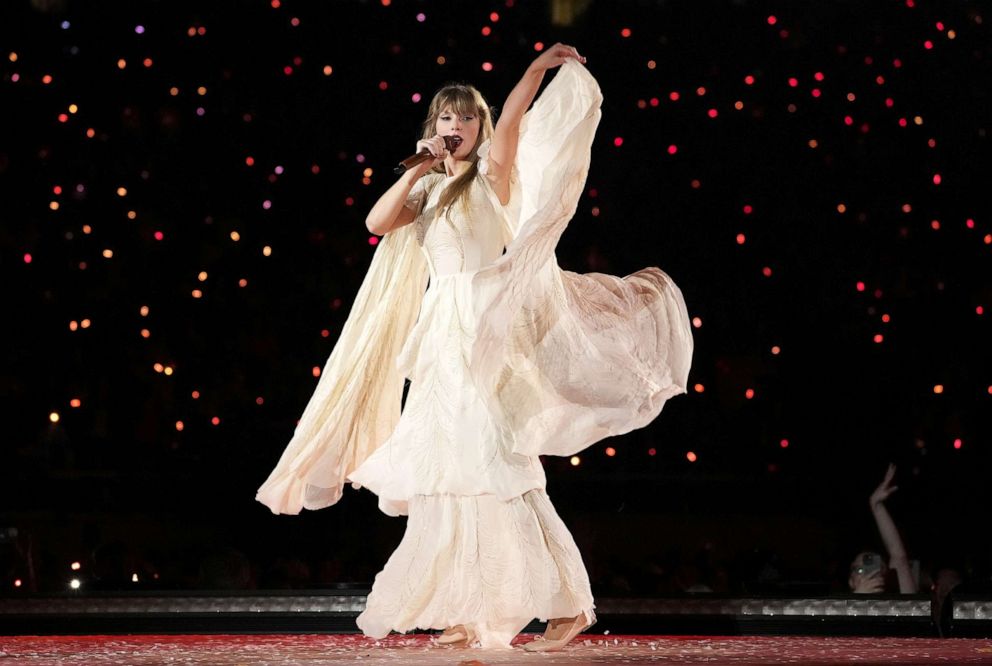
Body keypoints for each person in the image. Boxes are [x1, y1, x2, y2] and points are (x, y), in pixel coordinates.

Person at [256, 44, 694, 650]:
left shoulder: (493, 176)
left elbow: (512, 119)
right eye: (445, 118)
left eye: (465, 118)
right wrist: (417, 167)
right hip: (440, 336)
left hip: (486, 331)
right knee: (447, 470)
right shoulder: (429, 189)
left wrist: (538, 68)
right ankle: (469, 606)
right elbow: (375, 224)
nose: (455, 127)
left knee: (499, 466)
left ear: (479, 128)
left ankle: (570, 603)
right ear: (432, 127)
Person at [848, 464, 919, 594]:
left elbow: (899, 557)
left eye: (877, 569)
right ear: (851, 581)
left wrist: (876, 505)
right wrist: (857, 600)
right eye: (860, 570)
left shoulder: (899, 607)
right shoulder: (837, 610)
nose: (869, 575)